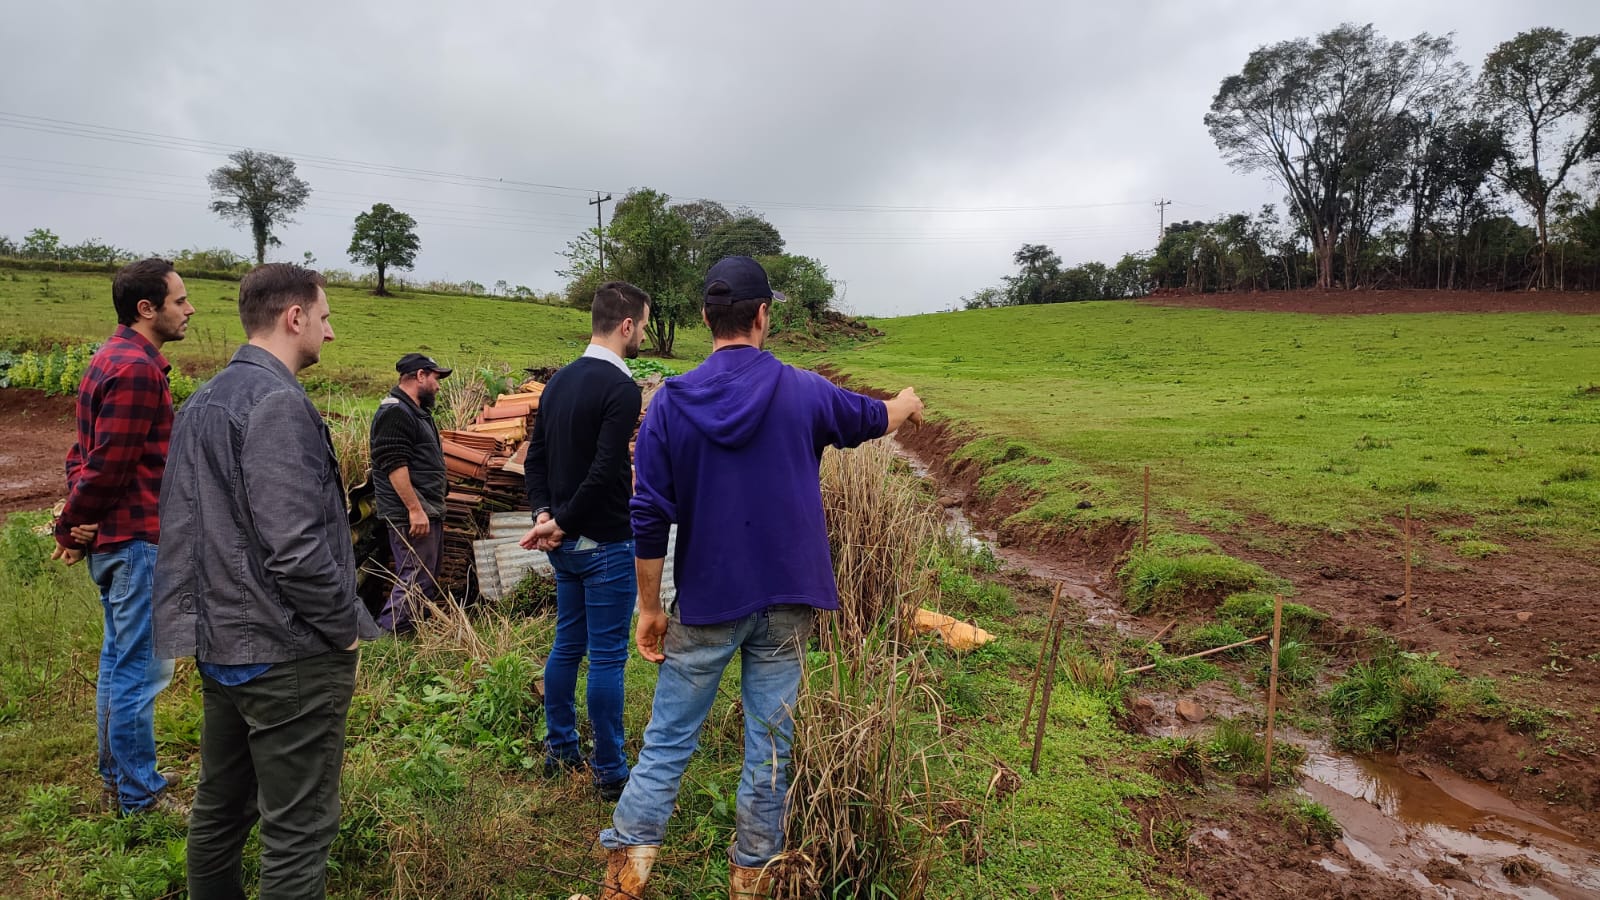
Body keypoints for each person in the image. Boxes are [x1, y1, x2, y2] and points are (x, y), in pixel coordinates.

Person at [577, 257, 924, 900]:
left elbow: (648, 515)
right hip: (790, 598)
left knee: (669, 740)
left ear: (708, 320)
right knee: (770, 746)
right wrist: (905, 403)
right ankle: (752, 879)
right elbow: (876, 419)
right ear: (763, 315)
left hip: (708, 600)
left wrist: (649, 608)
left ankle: (626, 879)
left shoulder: (670, 404)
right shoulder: (803, 390)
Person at [153, 263, 379, 899]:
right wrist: (345, 631)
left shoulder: (205, 399)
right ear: (295, 317)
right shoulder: (277, 403)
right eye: (326, 317)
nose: (331, 333)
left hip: (224, 642)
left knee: (221, 809)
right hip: (286, 654)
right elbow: (298, 550)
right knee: (298, 830)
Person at [52, 257, 193, 816]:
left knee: (118, 662)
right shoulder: (136, 369)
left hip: (117, 542)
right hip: (138, 541)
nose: (189, 309)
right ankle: (139, 795)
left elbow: (78, 454)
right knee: (141, 669)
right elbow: (108, 464)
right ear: (146, 308)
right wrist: (70, 525)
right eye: (179, 300)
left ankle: (119, 775)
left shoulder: (107, 359)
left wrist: (79, 522)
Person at [520, 281, 650, 800]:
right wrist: (565, 521)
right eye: (641, 325)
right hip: (604, 545)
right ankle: (612, 769)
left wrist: (545, 515)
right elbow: (603, 472)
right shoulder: (621, 389)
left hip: (564, 547)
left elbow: (535, 460)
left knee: (567, 645)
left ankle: (561, 748)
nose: (641, 334)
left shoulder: (558, 383)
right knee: (608, 658)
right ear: (626, 326)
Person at [371, 352, 452, 634]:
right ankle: (388, 637)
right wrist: (415, 509)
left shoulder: (415, 411)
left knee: (425, 575)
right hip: (411, 513)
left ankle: (406, 635)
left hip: (426, 507)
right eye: (435, 378)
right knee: (415, 575)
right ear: (420, 376)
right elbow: (395, 464)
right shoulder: (395, 412)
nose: (438, 385)